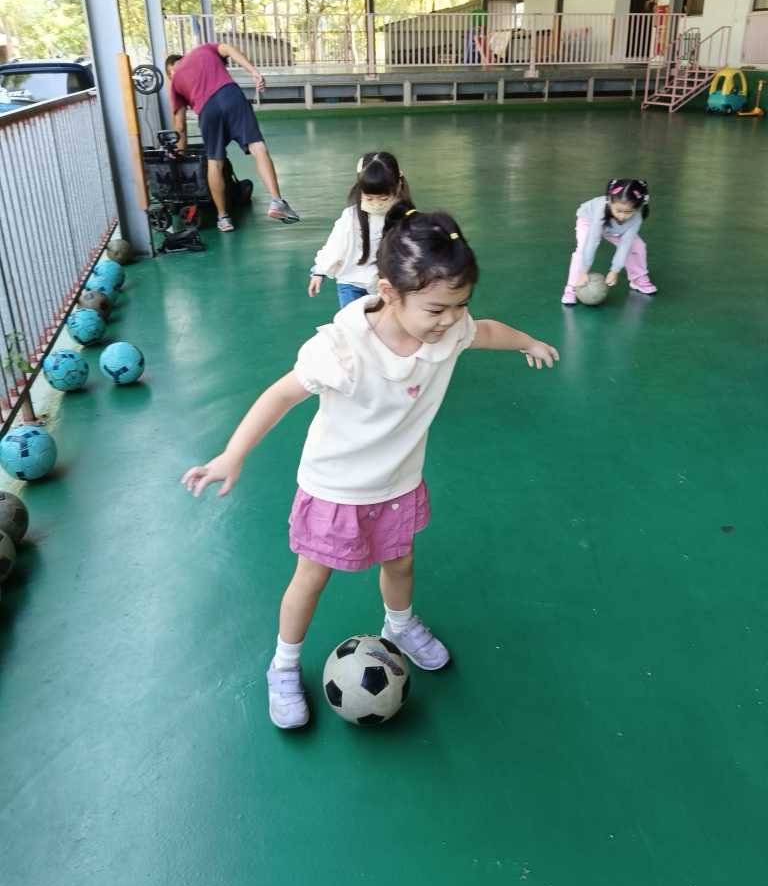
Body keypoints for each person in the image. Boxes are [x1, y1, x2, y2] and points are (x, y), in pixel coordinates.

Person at [182, 205, 560, 729]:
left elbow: (488, 331)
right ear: (388, 291)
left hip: (397, 484)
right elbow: (281, 394)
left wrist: (528, 342)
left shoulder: (449, 330)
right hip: (334, 488)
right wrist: (233, 454)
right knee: (311, 579)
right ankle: (284, 665)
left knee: (400, 563)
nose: (451, 319)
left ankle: (398, 626)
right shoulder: (341, 348)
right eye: (437, 308)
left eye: (460, 305)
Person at [166, 43, 299, 231]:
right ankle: (277, 201)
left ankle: (223, 218)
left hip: (207, 110)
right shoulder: (203, 49)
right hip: (231, 95)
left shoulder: (175, 82)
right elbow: (229, 49)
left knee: (215, 163)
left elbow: (180, 127)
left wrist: (180, 156)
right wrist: (253, 71)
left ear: (170, 70)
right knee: (258, 147)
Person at [309, 151, 411, 308]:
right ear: (360, 189)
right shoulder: (351, 217)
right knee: (352, 321)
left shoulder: (405, 217)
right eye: (369, 198)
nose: (376, 204)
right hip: (351, 283)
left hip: (386, 286)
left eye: (384, 198)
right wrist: (319, 271)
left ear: (398, 187)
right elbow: (335, 245)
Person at [561, 178, 656, 304]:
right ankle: (572, 286)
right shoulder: (600, 210)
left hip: (613, 228)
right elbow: (592, 241)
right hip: (589, 220)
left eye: (628, 212)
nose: (622, 216)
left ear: (637, 208)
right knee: (583, 247)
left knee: (637, 246)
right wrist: (583, 270)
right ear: (610, 202)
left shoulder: (636, 218)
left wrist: (615, 269)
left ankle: (638, 278)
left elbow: (626, 243)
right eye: (618, 211)